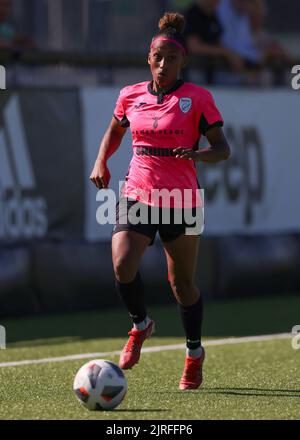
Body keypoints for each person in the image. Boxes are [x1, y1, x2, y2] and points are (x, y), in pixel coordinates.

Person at [90, 12, 230, 390]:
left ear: (183, 61)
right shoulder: (130, 95)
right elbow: (114, 131)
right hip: (137, 191)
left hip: (180, 199)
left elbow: (223, 149)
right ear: (148, 59)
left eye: (171, 58)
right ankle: (140, 325)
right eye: (158, 57)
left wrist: (198, 155)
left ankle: (194, 354)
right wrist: (102, 159)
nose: (163, 64)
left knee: (182, 285)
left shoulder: (198, 98)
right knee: (122, 263)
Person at [184, 0, 244, 82]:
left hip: (211, 75)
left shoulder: (213, 16)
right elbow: (195, 47)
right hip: (192, 72)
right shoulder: (192, 15)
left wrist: (232, 55)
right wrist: (226, 53)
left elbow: (217, 42)